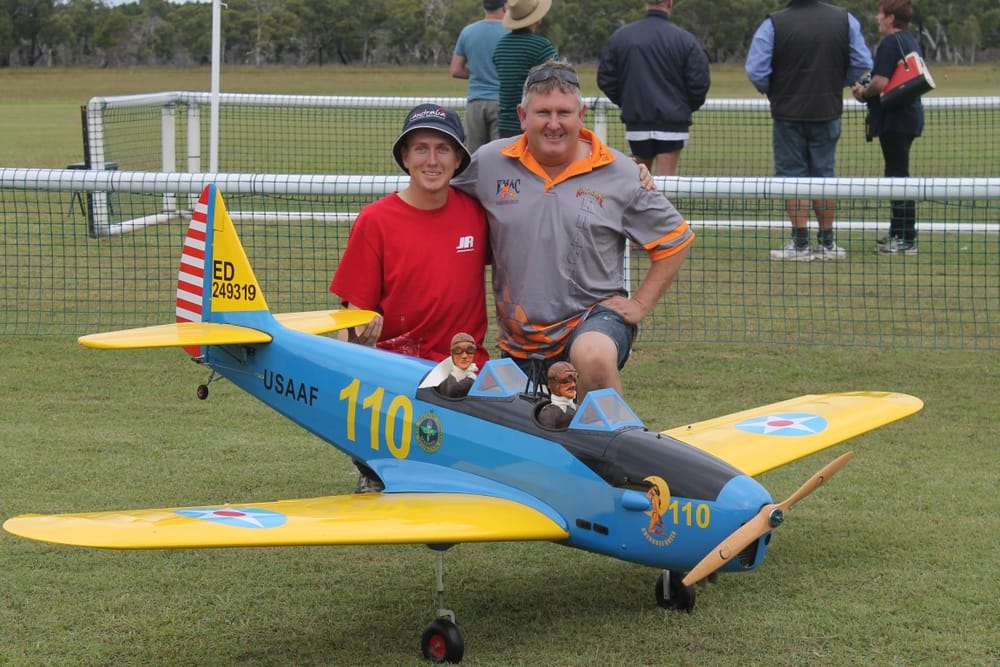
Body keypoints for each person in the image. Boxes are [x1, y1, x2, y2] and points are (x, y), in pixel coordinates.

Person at [452, 59, 694, 403]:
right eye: (543, 113)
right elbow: (441, 195)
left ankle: (615, 447)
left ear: (580, 115)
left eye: (564, 112)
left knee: (592, 355)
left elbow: (676, 240)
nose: (554, 124)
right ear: (522, 116)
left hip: (593, 320)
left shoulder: (621, 173)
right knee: (539, 439)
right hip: (520, 339)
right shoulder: (490, 162)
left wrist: (639, 304)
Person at [329, 104, 491, 492]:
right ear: (405, 157)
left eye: (443, 149)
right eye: (420, 149)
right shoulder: (376, 220)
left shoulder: (478, 214)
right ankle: (374, 468)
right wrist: (358, 340)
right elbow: (351, 323)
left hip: (465, 370)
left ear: (458, 160)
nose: (431, 160)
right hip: (398, 371)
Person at [746, 0, 873, 262]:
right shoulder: (844, 19)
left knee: (792, 177)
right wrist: (838, 80)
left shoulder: (773, 23)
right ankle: (827, 242)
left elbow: (756, 70)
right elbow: (862, 61)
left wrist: (774, 89)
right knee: (824, 175)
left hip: (787, 113)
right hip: (827, 109)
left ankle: (800, 242)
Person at [596, 0, 711, 176]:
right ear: (669, 3)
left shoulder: (621, 36)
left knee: (639, 184)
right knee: (667, 186)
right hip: (673, 124)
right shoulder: (685, 39)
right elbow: (699, 83)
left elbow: (606, 78)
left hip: (637, 123)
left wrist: (630, 102)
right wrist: (682, 107)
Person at [851, 0, 924, 255]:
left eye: (880, 14)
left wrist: (862, 91)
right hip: (910, 116)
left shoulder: (889, 44)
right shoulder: (909, 40)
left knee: (897, 177)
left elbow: (880, 83)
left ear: (891, 17)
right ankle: (898, 232)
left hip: (895, 119)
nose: (877, 18)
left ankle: (906, 237)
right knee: (896, 173)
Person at [492, 0, 557, 139]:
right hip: (532, 122)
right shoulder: (542, 46)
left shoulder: (501, 46)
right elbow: (557, 80)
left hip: (504, 123)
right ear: (537, 19)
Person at [450, 0, 509, 153]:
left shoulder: (467, 32)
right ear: (505, 6)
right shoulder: (512, 33)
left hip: (475, 103)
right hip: (503, 104)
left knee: (472, 157)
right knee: (500, 156)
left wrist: (478, 71)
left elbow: (456, 70)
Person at [436, 332, 480, 398]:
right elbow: (453, 392)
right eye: (458, 351)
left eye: (469, 351)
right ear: (451, 354)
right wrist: (471, 379)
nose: (464, 356)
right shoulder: (446, 376)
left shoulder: (473, 372)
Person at [537, 361, 578, 429]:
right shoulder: (549, 414)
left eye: (575, 380)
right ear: (553, 384)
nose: (573, 385)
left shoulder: (577, 408)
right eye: (566, 381)